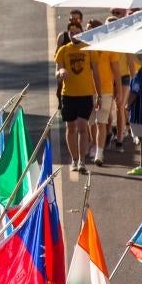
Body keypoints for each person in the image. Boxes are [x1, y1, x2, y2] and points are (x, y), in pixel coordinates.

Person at [54, 21, 95, 172]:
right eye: (71, 32)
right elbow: (57, 72)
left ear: (81, 32)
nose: (73, 34)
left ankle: (82, 162)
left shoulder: (88, 49)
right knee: (70, 128)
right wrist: (61, 72)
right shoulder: (63, 50)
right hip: (68, 95)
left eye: (76, 31)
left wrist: (98, 94)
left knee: (83, 128)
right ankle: (74, 159)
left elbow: (95, 71)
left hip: (85, 94)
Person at [87, 19, 121, 167]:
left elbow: (117, 71)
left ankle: (99, 153)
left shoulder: (110, 47)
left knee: (100, 123)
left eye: (89, 29)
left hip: (106, 90)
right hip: (87, 90)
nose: (86, 32)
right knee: (90, 122)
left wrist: (118, 90)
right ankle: (94, 145)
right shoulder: (85, 47)